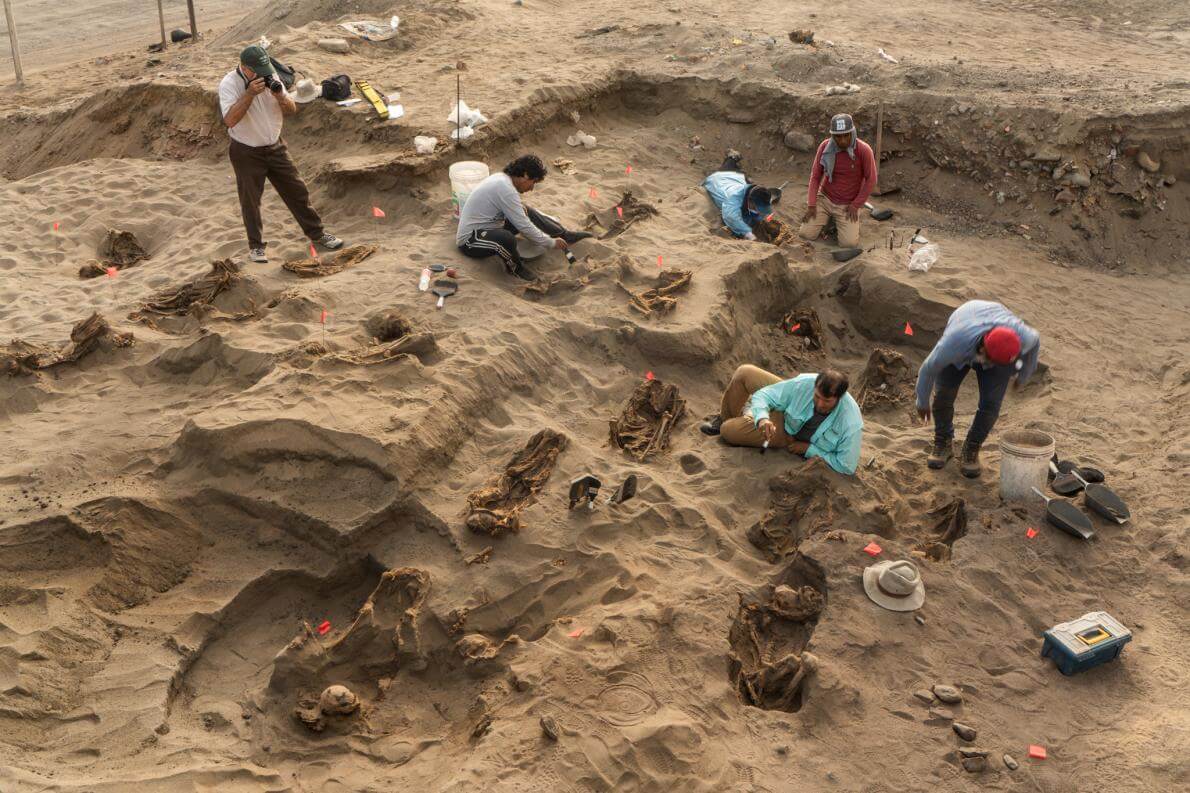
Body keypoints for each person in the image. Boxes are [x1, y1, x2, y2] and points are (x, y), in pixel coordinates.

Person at [218, 45, 344, 264]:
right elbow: (230, 120)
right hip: (246, 150)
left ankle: (318, 234)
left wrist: (279, 96)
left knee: (297, 191)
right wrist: (249, 94)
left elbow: (292, 109)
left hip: (275, 146)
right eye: (257, 70)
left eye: (265, 68)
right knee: (251, 200)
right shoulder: (229, 84)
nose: (263, 74)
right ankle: (256, 247)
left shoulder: (271, 75)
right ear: (245, 69)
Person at [915, 300, 1041, 477]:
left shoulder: (1023, 338)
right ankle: (942, 441)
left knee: (991, 404)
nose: (990, 365)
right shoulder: (952, 345)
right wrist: (922, 402)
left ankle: (972, 448)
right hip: (965, 325)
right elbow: (928, 369)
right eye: (989, 361)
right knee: (944, 394)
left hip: (998, 339)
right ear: (982, 349)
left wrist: (1023, 375)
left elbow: (1035, 341)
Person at [700, 366, 863, 476]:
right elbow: (764, 395)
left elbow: (846, 466)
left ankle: (747, 415)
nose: (819, 404)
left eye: (826, 401)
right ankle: (727, 416)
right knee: (745, 373)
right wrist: (763, 419)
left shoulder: (851, 422)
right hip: (786, 410)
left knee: (728, 431)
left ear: (840, 398)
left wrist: (809, 450)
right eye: (817, 397)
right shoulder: (805, 384)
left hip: (787, 433)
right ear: (815, 387)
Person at [456, 154, 592, 280]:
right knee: (506, 239)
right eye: (533, 182)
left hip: (490, 228)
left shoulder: (503, 180)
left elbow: (522, 219)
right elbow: (523, 226)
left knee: (523, 210)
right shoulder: (504, 187)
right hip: (471, 240)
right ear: (525, 175)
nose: (532, 188)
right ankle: (516, 269)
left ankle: (565, 234)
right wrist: (550, 243)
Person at [797, 113, 877, 249]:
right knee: (806, 234)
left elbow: (871, 180)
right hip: (825, 198)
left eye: (846, 135)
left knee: (848, 244)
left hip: (847, 205)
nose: (843, 140)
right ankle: (828, 219)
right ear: (832, 136)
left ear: (852, 132)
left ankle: (835, 221)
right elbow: (815, 177)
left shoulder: (863, 150)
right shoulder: (825, 147)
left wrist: (856, 205)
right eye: (838, 136)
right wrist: (812, 204)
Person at [703, 151, 778, 241]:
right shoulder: (733, 200)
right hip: (718, 180)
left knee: (738, 173)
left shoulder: (752, 190)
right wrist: (749, 235)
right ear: (750, 200)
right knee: (727, 167)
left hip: (737, 180)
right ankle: (732, 157)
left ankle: (735, 165)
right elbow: (730, 217)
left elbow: (764, 204)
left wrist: (768, 216)